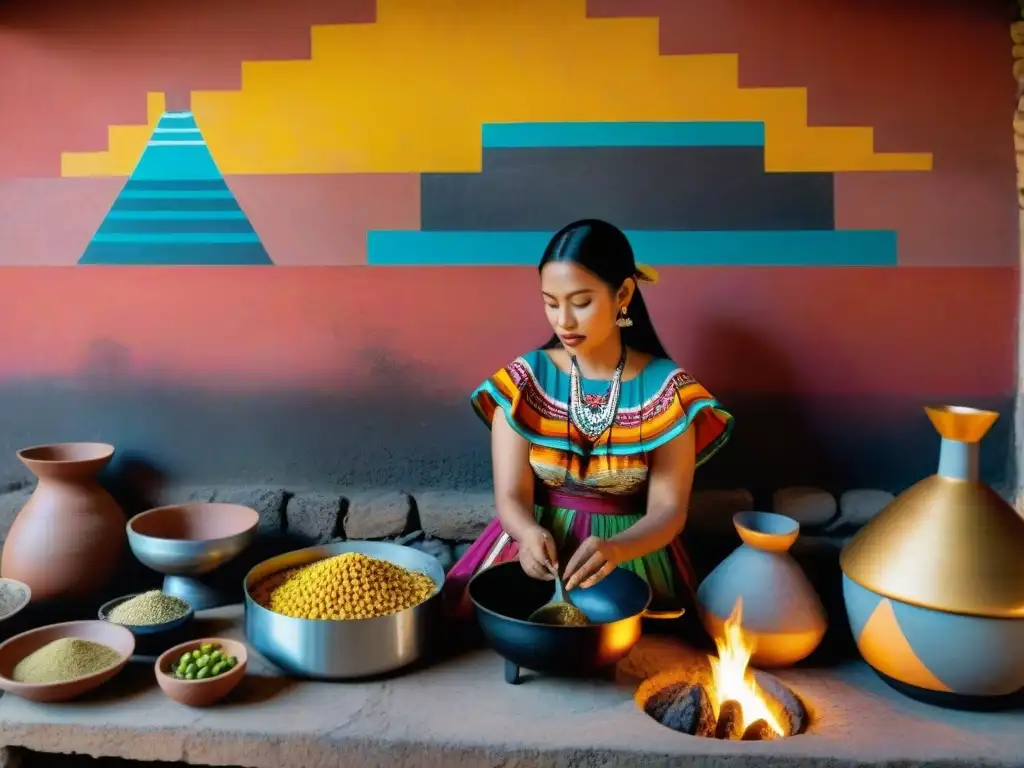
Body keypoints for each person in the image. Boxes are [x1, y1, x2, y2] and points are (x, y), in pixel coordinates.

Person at [444, 219, 733, 618]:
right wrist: (527, 534)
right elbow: (510, 494)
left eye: (580, 302)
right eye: (550, 302)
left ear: (624, 294)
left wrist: (618, 548)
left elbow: (668, 511)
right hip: (532, 556)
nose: (563, 321)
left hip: (631, 561)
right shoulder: (523, 382)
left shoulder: (669, 390)